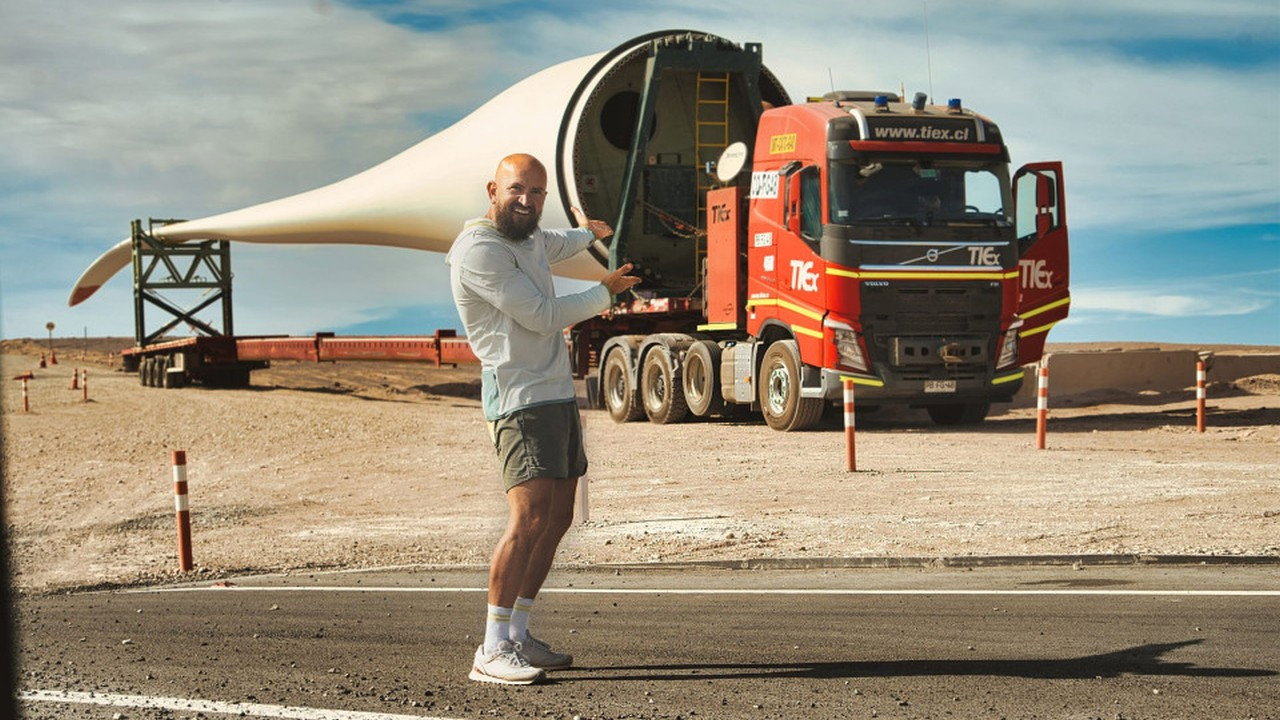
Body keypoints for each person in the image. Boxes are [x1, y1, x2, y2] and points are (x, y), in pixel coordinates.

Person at [446, 153, 640, 685]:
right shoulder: (480, 250)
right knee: (528, 519)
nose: (526, 201)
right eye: (516, 189)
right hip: (519, 397)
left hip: (553, 394)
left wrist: (587, 233)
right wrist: (605, 293)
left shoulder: (528, 236)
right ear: (493, 190)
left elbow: (556, 242)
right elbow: (541, 315)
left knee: (557, 518)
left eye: (536, 192)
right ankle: (490, 649)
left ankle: (517, 633)